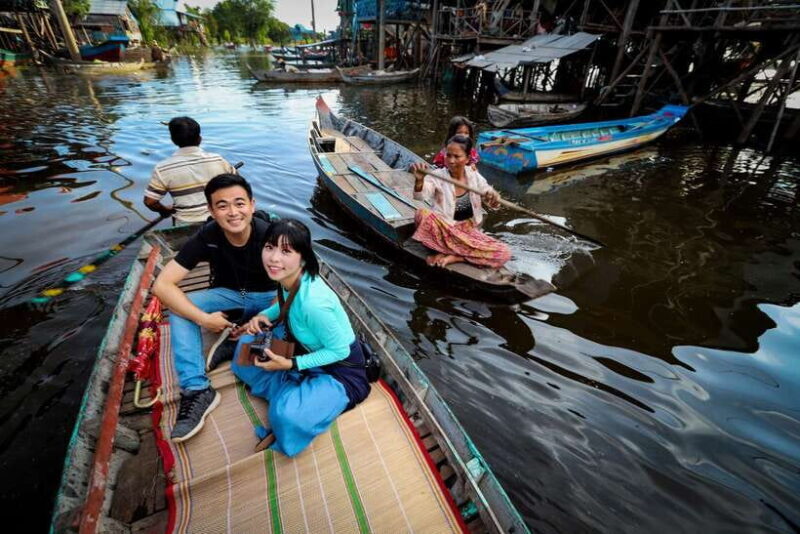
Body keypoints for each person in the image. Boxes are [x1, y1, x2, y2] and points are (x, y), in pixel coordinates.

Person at [152, 174, 278, 442]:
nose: (233, 213)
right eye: (222, 206)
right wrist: (203, 319)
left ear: (252, 205)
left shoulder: (272, 235)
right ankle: (197, 388)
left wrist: (267, 315)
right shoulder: (207, 235)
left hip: (270, 300)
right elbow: (162, 285)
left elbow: (298, 285)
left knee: (290, 336)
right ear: (211, 210)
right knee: (181, 306)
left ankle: (239, 340)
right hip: (231, 296)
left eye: (240, 203)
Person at [232, 219, 370, 457]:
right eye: (270, 247)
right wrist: (263, 315)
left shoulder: (314, 303)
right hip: (303, 353)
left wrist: (290, 364)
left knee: (286, 417)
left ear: (303, 257)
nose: (274, 258)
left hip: (339, 373)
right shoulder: (288, 280)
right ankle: (293, 390)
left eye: (286, 251)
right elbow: (284, 306)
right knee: (244, 351)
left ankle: (292, 393)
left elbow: (340, 352)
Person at [411, 134, 511, 268]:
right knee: (421, 214)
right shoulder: (438, 176)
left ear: (467, 158)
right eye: (448, 155)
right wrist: (419, 180)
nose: (451, 161)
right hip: (446, 229)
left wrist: (493, 196)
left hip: (467, 232)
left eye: (457, 156)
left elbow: (490, 197)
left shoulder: (474, 176)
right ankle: (459, 252)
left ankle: (457, 257)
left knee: (504, 253)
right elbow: (420, 196)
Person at [144, 117, 236, 224]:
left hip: (186, 223)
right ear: (200, 139)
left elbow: (150, 202)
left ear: (173, 140)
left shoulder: (163, 168)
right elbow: (239, 188)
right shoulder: (219, 160)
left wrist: (165, 211)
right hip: (219, 220)